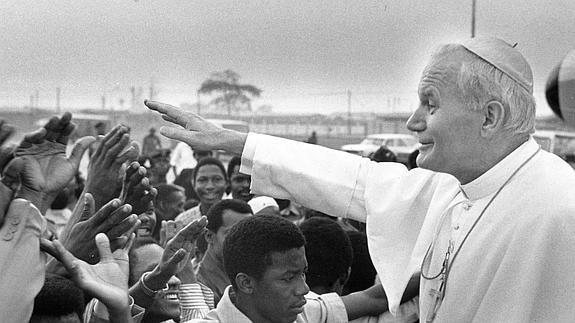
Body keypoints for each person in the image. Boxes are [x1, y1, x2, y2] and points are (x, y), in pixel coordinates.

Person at [145, 36, 575, 322]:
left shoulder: (560, 206)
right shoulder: (451, 187)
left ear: (490, 117)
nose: (413, 121)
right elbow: (355, 181)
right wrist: (237, 142)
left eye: (431, 104)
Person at [196, 199, 252, 305]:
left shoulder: (251, 274)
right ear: (209, 236)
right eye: (234, 233)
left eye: (250, 233)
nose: (245, 241)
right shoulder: (201, 287)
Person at [175, 158, 228, 226]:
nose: (210, 186)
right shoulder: (182, 222)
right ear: (193, 183)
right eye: (202, 180)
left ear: (226, 183)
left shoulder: (238, 218)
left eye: (217, 179)